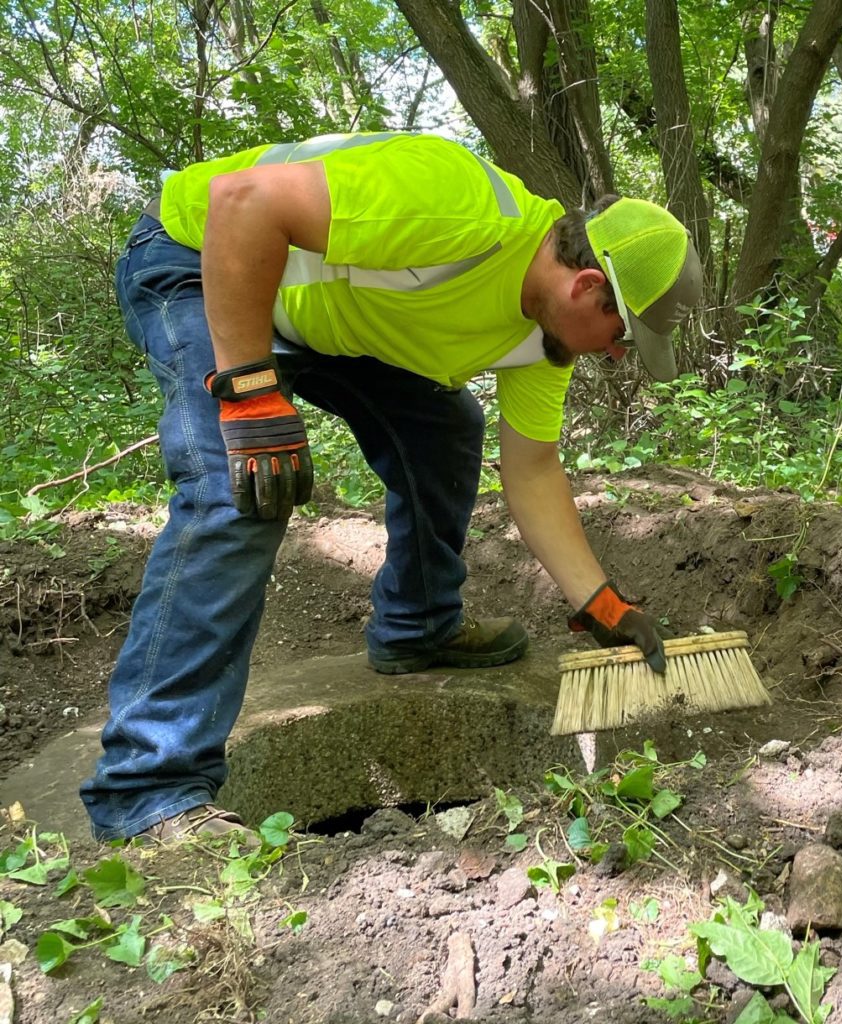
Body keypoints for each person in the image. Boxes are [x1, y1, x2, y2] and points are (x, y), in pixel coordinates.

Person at [80, 131, 702, 843]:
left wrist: (603, 603)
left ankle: (417, 625)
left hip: (318, 322)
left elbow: (531, 470)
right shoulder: (458, 207)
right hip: (201, 256)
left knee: (444, 429)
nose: (620, 355)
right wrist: (250, 394)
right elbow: (242, 202)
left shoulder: (544, 339)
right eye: (623, 335)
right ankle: (146, 790)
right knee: (240, 486)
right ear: (588, 286)